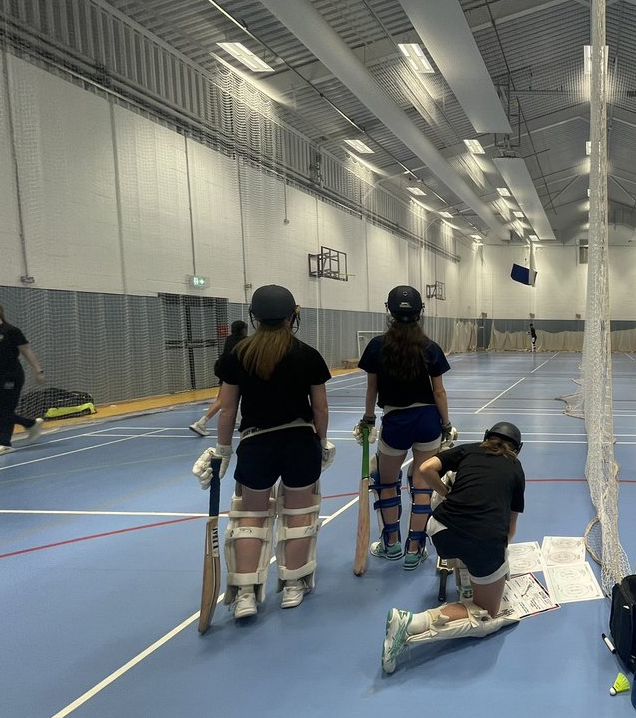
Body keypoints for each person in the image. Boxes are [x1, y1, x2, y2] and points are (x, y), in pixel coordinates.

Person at [191, 285, 334, 619]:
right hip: (299, 443)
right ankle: (294, 586)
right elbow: (321, 409)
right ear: (291, 316)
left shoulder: (237, 356)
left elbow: (227, 410)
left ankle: (244, 595)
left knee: (249, 520)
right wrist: (322, 442)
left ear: (254, 317)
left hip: (256, 444)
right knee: (299, 518)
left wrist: (223, 449)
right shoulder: (307, 354)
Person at [382, 421, 525, 675]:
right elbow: (509, 530)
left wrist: (446, 493)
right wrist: (496, 564)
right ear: (518, 449)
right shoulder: (515, 467)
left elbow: (426, 468)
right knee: (487, 614)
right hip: (483, 541)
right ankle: (411, 623)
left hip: (440, 529)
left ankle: (471, 569)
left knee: (468, 543)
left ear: (486, 437)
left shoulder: (469, 449)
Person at [355, 285, 455, 570]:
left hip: (395, 420)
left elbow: (371, 388)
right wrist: (446, 424)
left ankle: (391, 545)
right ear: (420, 311)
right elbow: (439, 393)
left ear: (389, 310)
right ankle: (415, 548)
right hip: (427, 421)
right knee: (423, 485)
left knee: (386, 483)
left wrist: (368, 419)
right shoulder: (429, 347)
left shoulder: (376, 346)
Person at [0, 301, 46, 457]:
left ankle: (4, 443)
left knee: (6, 408)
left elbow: (26, 351)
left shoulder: (11, 331)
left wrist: (38, 370)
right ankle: (30, 424)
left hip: (10, 376)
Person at [189, 320, 248, 436]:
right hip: (233, 376)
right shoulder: (244, 342)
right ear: (243, 330)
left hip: (225, 373)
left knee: (222, 400)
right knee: (222, 401)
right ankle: (201, 423)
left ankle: (235, 418)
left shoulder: (229, 339)